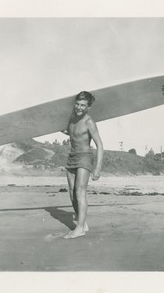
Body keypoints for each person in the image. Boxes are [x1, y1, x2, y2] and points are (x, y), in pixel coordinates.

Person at [61, 91, 104, 239]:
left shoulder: (89, 122)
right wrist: (66, 132)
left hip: (85, 157)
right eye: (77, 104)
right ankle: (82, 222)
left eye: (83, 105)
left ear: (88, 107)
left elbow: (100, 145)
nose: (79, 107)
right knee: (72, 192)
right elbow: (74, 134)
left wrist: (97, 168)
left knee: (80, 191)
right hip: (72, 156)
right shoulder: (72, 119)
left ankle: (79, 228)